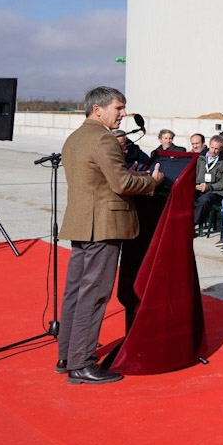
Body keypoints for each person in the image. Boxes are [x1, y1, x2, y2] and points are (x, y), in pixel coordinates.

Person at [57, 87, 162, 384]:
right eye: (119, 107)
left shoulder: (76, 137)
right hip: (103, 225)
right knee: (94, 294)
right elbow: (121, 182)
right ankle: (82, 363)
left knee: (76, 292)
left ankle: (67, 354)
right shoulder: (102, 138)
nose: (123, 113)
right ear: (98, 110)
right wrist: (150, 181)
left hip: (82, 223)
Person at [193, 135, 223, 226]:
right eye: (212, 147)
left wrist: (209, 187)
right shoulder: (200, 158)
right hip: (198, 187)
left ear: (221, 149)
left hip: (215, 192)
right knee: (184, 196)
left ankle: (192, 225)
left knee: (204, 200)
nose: (213, 151)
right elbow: (193, 174)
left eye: (216, 149)